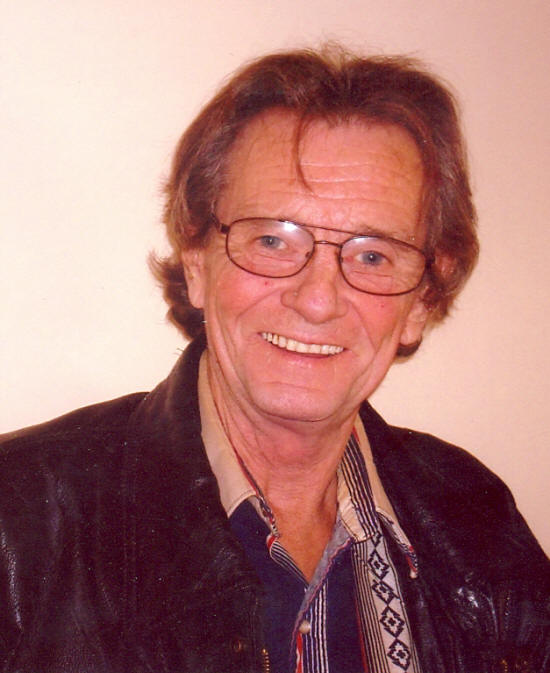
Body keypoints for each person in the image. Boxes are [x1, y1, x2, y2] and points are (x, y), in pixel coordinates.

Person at [0, 46, 548, 673]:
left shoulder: (474, 513)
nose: (317, 300)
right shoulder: (18, 519)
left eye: (372, 255)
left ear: (422, 300)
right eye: (272, 240)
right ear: (197, 263)